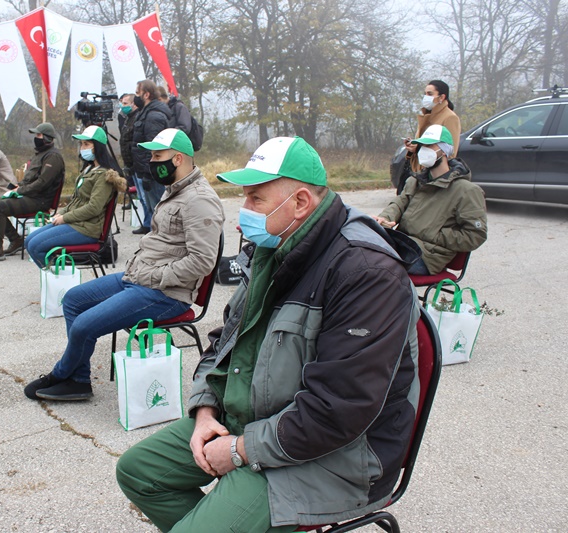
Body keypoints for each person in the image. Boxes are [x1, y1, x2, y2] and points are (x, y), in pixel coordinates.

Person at [116, 136, 421, 532]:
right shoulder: (275, 246)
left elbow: (340, 410)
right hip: (261, 418)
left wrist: (240, 450)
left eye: (255, 198)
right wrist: (205, 411)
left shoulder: (365, 273)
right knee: (138, 472)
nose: (242, 211)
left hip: (336, 453)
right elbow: (224, 341)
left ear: (300, 202)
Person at [24, 129, 224, 401]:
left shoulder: (199, 199)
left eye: (157, 156)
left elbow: (202, 261)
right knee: (72, 300)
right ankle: (78, 380)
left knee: (83, 326)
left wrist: (156, 276)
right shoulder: (176, 190)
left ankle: (61, 375)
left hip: (166, 293)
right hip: (139, 278)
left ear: (178, 159)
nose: (151, 162)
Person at [375, 124, 487, 276]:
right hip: (403, 244)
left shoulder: (466, 191)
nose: (423, 150)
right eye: (422, 146)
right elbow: (399, 203)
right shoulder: (415, 181)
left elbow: (475, 235)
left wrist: (435, 234)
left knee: (373, 266)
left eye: (429, 146)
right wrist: (384, 218)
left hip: (427, 257)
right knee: (358, 252)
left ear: (444, 151)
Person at [23, 125, 125, 268]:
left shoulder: (104, 175)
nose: (82, 148)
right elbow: (77, 200)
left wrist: (65, 218)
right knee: (29, 241)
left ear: (98, 147)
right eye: (81, 144)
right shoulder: (89, 169)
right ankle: (54, 273)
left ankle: (57, 276)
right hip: (76, 222)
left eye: (87, 144)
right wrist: (61, 213)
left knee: (36, 245)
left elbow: (93, 208)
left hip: (86, 229)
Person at [0, 123, 65, 263]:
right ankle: (16, 240)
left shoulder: (53, 157)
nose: (36, 138)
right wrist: (17, 187)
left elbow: (42, 183)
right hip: (30, 195)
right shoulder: (39, 154)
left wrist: (20, 190)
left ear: (47, 138)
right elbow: (30, 178)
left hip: (40, 200)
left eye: (39, 135)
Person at [131, 79, 171, 234]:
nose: (136, 96)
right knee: (153, 210)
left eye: (138, 93)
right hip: (145, 170)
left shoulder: (154, 116)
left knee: (159, 210)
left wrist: (148, 173)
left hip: (153, 173)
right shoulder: (145, 112)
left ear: (146, 94)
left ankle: (164, 238)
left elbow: (154, 148)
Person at [401, 79, 461, 184]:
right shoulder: (426, 116)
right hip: (419, 172)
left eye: (430, 94)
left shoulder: (450, 117)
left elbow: (451, 151)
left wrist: (419, 148)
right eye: (425, 94)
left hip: (435, 175)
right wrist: (413, 146)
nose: (426, 97)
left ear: (441, 97)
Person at [117, 93, 138, 188]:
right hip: (130, 164)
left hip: (136, 164)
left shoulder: (137, 117)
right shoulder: (128, 118)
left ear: (133, 104)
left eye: (125, 103)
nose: (123, 106)